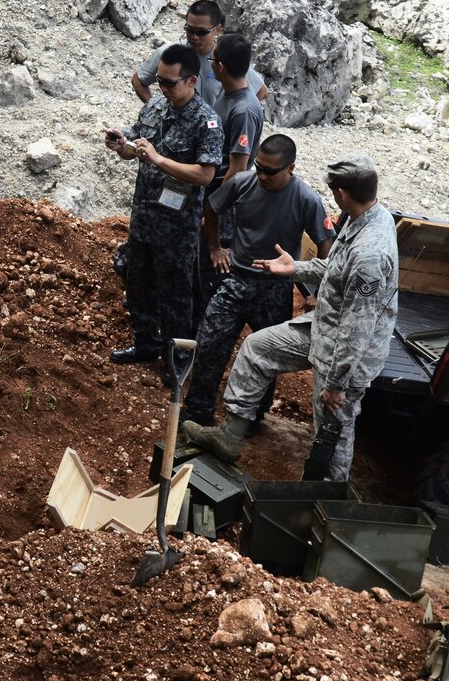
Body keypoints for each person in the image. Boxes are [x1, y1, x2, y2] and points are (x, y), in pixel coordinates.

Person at [183, 156, 398, 481]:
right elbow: (337, 270)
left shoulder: (371, 252)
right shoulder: (360, 216)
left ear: (341, 192)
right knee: (258, 349)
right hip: (324, 327)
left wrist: (336, 385)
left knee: (331, 431)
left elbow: (358, 331)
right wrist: (295, 267)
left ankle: (324, 499)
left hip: (348, 355)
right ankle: (231, 436)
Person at [182, 134, 335, 428]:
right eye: (259, 166)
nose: (262, 175)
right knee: (210, 345)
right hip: (236, 279)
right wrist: (215, 247)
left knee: (266, 357)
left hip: (274, 289)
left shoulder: (306, 199)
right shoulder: (243, 183)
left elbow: (326, 244)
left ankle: (251, 417)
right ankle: (198, 412)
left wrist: (317, 290)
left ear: (290, 168)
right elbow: (212, 208)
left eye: (270, 171)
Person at [104, 43, 224, 382]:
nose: (162, 89)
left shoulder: (207, 122)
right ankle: (145, 344)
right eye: (159, 81)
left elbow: (205, 174)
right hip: (144, 217)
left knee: (175, 295)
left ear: (192, 81)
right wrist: (121, 144)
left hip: (177, 227)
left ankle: (178, 357)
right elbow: (135, 147)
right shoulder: (156, 107)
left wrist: (159, 159)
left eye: (170, 83)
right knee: (139, 284)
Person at [194, 33, 266, 328]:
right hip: (211, 193)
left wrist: (214, 210)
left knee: (213, 266)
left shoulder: (245, 109)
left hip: (224, 199)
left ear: (220, 66)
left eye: (212, 60)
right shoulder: (227, 94)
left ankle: (206, 331)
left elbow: (237, 167)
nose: (210, 65)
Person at [131, 0, 268, 107]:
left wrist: (233, 120)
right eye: (189, 30)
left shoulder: (226, 57)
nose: (194, 37)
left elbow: (261, 91)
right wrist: (155, 111)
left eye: (201, 32)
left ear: (217, 30)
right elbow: (139, 80)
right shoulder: (169, 53)